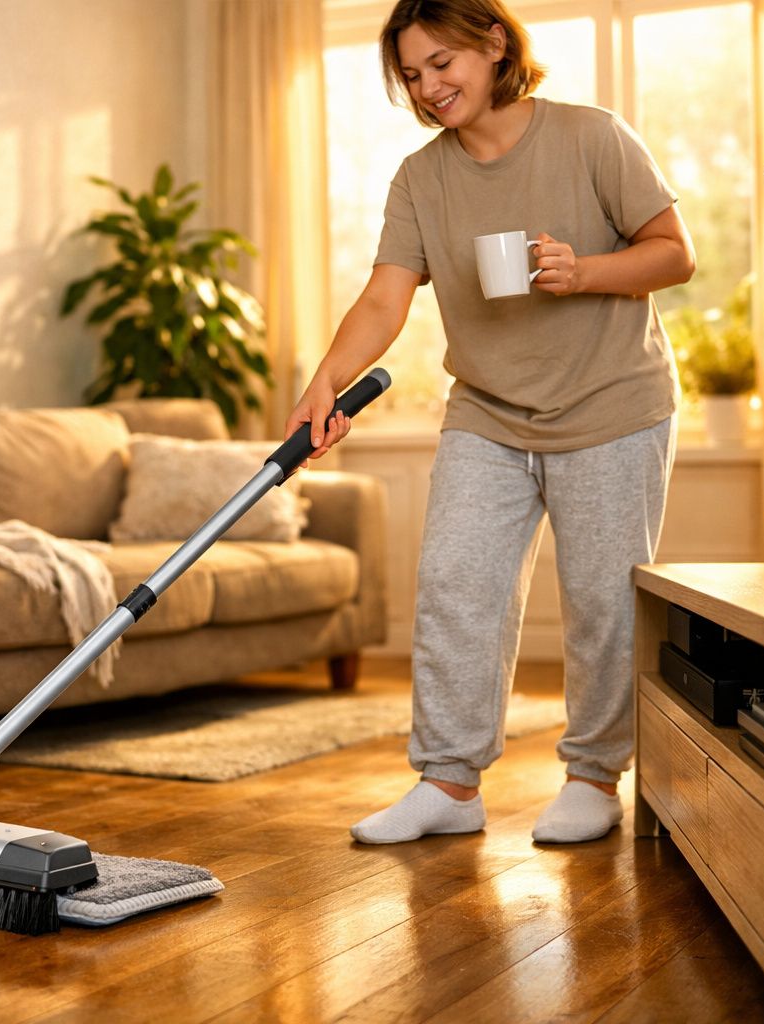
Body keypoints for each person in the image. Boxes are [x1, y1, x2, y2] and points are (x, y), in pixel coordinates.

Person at [287, 0, 695, 844]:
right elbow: (384, 296)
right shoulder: (421, 177)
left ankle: (593, 776)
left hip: (612, 401)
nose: (430, 87)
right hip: (488, 409)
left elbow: (673, 252)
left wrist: (583, 273)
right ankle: (449, 784)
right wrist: (323, 383)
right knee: (455, 586)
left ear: (494, 43)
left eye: (444, 63)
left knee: (602, 602)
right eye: (412, 74)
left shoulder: (591, 136)